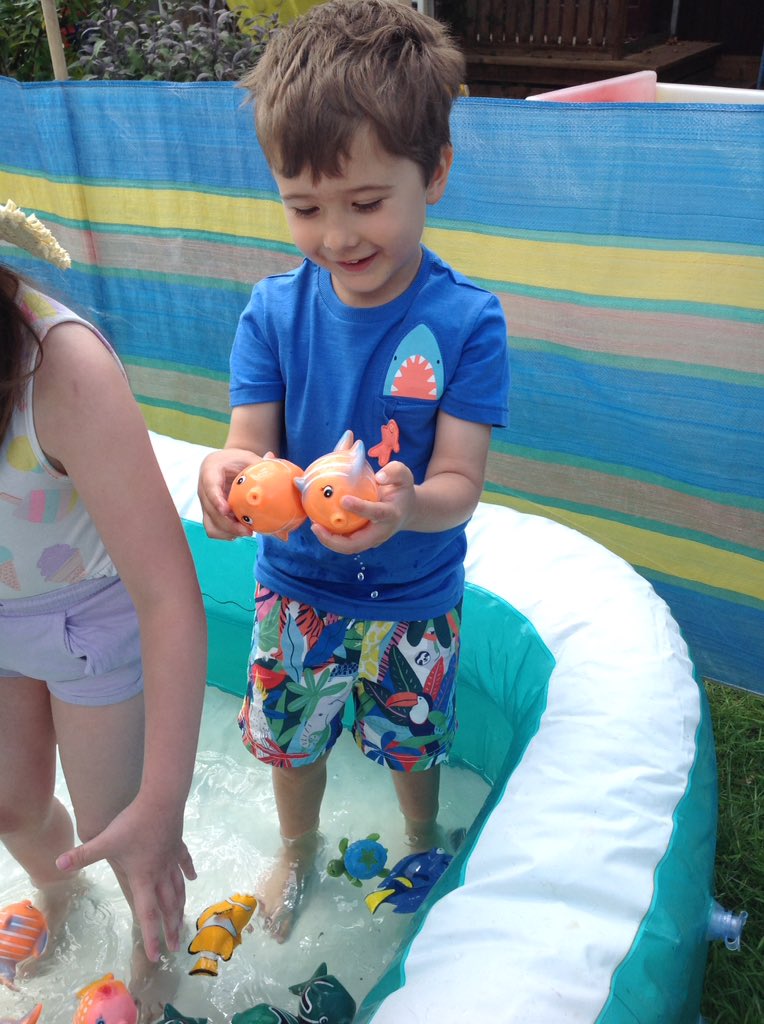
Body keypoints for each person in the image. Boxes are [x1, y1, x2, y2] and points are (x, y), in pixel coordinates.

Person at [197, 0, 510, 943]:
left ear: (436, 172)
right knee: (292, 745)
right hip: (297, 590)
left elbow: (459, 484)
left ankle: (421, 835)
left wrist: (409, 507)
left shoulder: (467, 323)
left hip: (414, 596)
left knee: (414, 743)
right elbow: (249, 445)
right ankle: (297, 849)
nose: (336, 235)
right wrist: (225, 478)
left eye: (366, 202)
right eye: (304, 207)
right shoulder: (273, 314)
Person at [0, 200, 207, 1005]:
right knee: (10, 805)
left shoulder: (62, 370)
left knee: (122, 832)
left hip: (90, 620)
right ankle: (61, 890)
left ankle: (157, 975)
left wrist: (163, 802)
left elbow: (169, 596)